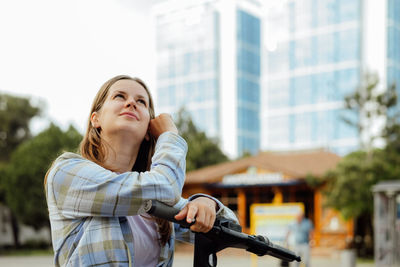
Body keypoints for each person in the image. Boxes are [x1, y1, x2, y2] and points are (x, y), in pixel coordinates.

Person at [44, 75, 237, 267]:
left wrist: (206, 203)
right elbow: (167, 187)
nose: (131, 103)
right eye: (120, 96)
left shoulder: (154, 195)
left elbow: (232, 229)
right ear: (96, 119)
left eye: (141, 101)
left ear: (148, 130)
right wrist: (169, 136)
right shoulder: (66, 172)